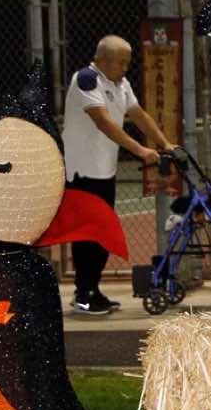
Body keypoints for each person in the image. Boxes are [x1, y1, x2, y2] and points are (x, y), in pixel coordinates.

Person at [62, 35, 171, 315]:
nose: (125, 68)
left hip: (104, 171)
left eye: (127, 63)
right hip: (81, 172)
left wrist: (164, 143)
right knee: (87, 235)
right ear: (102, 60)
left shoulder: (121, 84)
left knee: (101, 234)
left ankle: (92, 289)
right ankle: (84, 294)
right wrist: (141, 151)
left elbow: (139, 115)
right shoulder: (86, 80)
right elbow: (103, 122)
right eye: (120, 62)